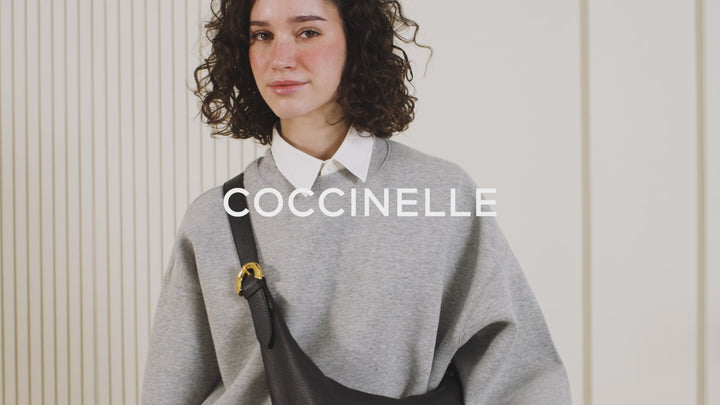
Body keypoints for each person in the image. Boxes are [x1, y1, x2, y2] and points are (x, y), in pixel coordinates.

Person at [141, 0, 572, 403]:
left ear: (357, 40)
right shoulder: (213, 218)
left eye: (308, 32)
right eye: (262, 35)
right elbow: (170, 388)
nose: (280, 58)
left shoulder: (442, 194)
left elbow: (520, 373)